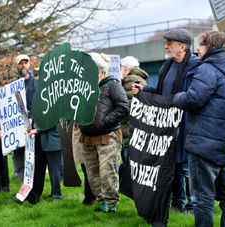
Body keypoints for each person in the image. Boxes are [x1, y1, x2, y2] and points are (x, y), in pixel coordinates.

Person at [173, 31, 225, 227]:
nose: (197, 51)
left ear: (210, 47)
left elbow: (194, 98)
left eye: (200, 46)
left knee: (202, 199)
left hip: (203, 144)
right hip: (222, 143)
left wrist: (177, 97)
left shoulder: (207, 69)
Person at [132, 28, 200, 215]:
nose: (165, 46)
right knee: (174, 164)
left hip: (187, 124)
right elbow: (163, 92)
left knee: (186, 166)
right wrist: (145, 89)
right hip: (167, 124)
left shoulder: (195, 67)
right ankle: (177, 202)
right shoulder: (166, 66)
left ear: (183, 47)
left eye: (169, 43)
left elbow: (194, 96)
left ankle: (193, 206)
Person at [79, 52, 129, 213]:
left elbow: (123, 107)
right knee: (93, 175)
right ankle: (102, 204)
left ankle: (111, 204)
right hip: (87, 137)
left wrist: (104, 122)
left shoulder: (113, 85)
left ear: (100, 72)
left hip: (108, 136)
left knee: (108, 173)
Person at [8, 54, 36, 181]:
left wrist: (32, 118)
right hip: (17, 127)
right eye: (21, 63)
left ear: (29, 64)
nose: (23, 65)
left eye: (26, 62)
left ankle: (33, 180)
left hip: (34, 126)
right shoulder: (11, 86)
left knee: (33, 155)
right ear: (17, 66)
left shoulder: (37, 83)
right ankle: (21, 180)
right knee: (18, 155)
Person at [119, 56, 148, 173]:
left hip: (130, 133)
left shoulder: (130, 81)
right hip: (138, 132)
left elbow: (129, 108)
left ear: (125, 68)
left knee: (130, 170)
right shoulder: (141, 79)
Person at [25, 125, 63, 204]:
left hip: (52, 140)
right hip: (38, 140)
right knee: (38, 170)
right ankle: (34, 195)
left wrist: (36, 130)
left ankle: (56, 195)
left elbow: (51, 122)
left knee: (54, 170)